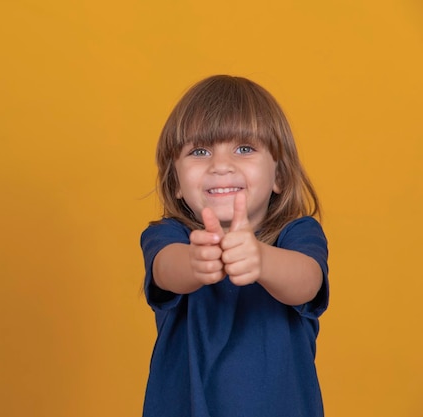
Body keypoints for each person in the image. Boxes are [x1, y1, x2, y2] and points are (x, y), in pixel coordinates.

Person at [140, 75, 329, 417]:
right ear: (176, 182)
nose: (221, 165)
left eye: (244, 149)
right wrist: (196, 262)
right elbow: (165, 269)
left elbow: (307, 282)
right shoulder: (171, 237)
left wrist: (261, 259)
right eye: (200, 151)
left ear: (279, 176)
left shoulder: (298, 234)